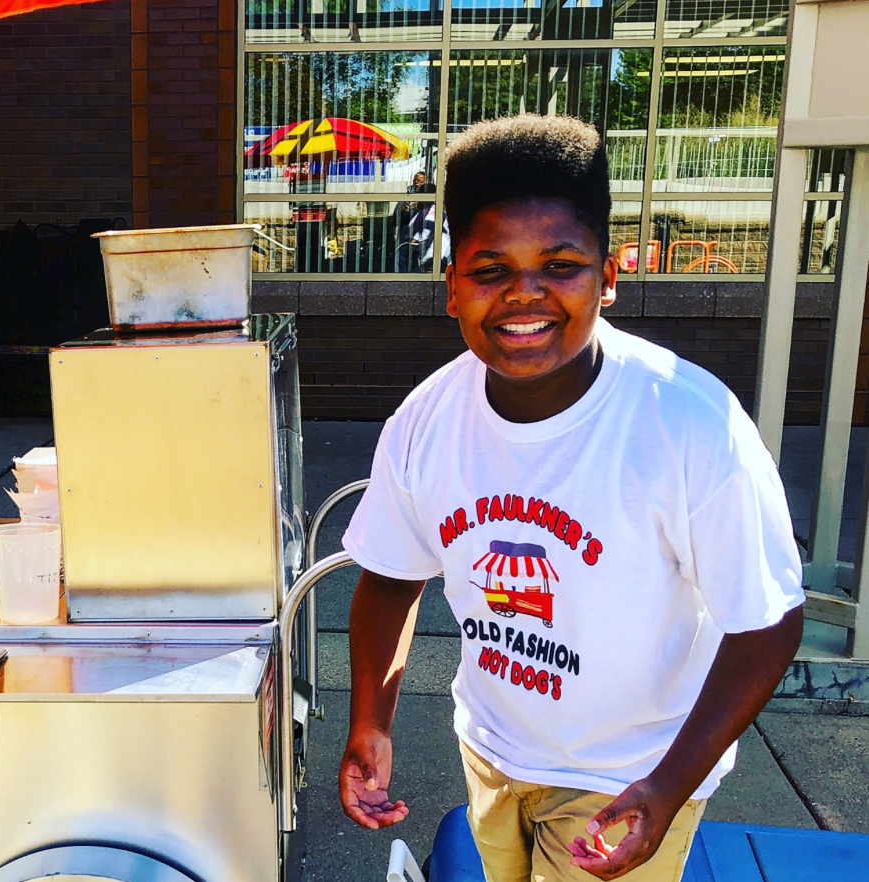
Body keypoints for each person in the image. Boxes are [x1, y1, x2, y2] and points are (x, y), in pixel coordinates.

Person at [338, 114, 804, 882]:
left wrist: (667, 787)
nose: (525, 295)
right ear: (452, 285)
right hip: (490, 750)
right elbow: (390, 575)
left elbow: (768, 621)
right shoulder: (425, 421)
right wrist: (369, 722)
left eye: (560, 264)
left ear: (609, 275)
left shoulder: (689, 424)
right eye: (491, 270)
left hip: (630, 774)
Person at [397, 172, 429, 272]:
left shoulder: (429, 196)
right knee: (403, 258)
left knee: (418, 259)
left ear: (425, 181)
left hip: (420, 232)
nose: (416, 183)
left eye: (420, 181)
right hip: (406, 231)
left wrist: (420, 206)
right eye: (415, 180)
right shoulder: (408, 194)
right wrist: (402, 208)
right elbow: (397, 216)